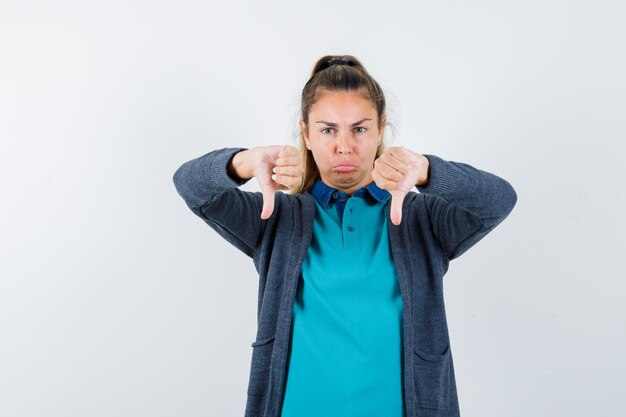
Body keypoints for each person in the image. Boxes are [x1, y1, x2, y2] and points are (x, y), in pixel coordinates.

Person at [172, 55, 517, 417]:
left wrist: (428, 172)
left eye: (360, 129)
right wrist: (244, 161)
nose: (344, 146)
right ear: (305, 133)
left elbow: (498, 200)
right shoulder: (276, 216)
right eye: (328, 129)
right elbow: (190, 185)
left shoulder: (422, 218)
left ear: (381, 129)